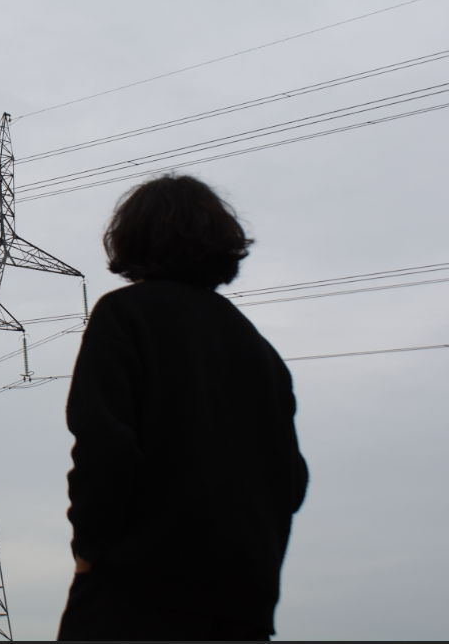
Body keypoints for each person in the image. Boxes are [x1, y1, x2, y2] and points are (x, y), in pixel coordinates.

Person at [57, 174, 308, 641]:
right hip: (243, 606)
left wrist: (88, 551)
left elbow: (104, 447)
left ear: (131, 238)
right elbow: (292, 482)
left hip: (136, 593)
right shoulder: (259, 349)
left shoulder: (124, 315)